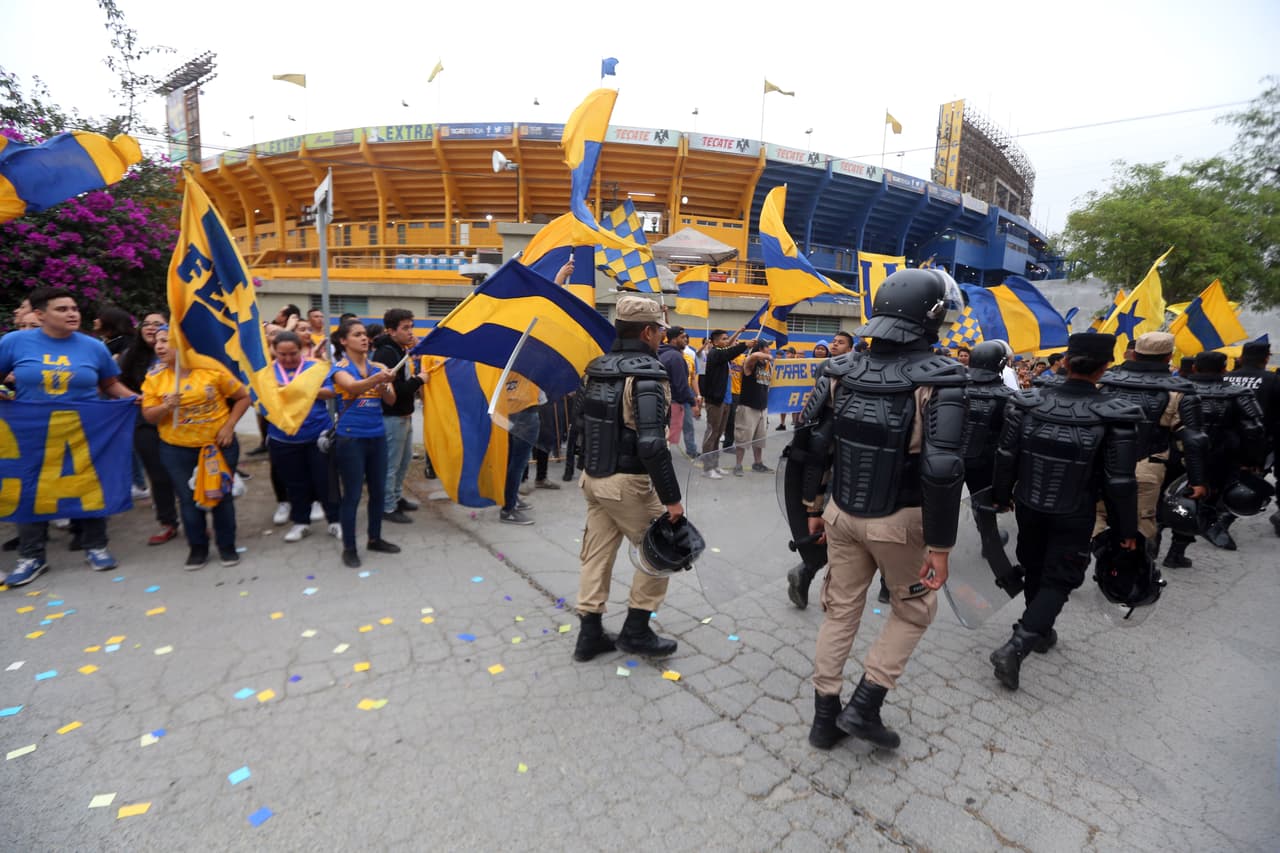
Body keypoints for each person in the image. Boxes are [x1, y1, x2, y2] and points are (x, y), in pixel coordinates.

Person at [799, 269, 967, 751]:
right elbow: (941, 470)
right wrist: (941, 545)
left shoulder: (839, 370)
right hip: (902, 522)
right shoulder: (943, 379)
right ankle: (864, 707)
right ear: (931, 317)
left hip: (841, 513)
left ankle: (823, 721)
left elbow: (812, 446)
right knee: (913, 610)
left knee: (839, 612)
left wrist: (813, 506)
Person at [988, 332, 1143, 690]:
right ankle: (1018, 644)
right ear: (1105, 367)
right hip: (1073, 510)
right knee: (1060, 577)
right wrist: (1126, 532)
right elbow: (1120, 482)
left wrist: (1000, 497)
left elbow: (1006, 456)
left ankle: (1037, 629)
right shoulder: (1113, 413)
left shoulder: (1028, 403)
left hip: (1029, 502)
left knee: (1036, 566)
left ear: (1067, 362)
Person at [570, 295, 684, 661]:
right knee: (661, 552)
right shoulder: (647, 373)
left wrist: (587, 468)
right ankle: (636, 630)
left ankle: (589, 634)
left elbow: (579, 426)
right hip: (628, 482)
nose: (660, 338)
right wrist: (672, 499)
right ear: (649, 331)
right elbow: (652, 444)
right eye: (659, 331)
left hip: (593, 478)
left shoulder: (595, 367)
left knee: (596, 555)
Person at [0, 288, 140, 586]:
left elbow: (110, 383)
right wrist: (4, 394)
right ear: (39, 315)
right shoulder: (14, 342)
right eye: (62, 309)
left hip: (83, 431)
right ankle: (32, 556)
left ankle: (96, 546)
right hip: (30, 434)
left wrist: (136, 400)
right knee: (30, 492)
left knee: (89, 486)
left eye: (74, 308)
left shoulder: (93, 347)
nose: (72, 313)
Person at [141, 326, 251, 570]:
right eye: (157, 342)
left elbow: (244, 397)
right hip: (177, 450)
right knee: (189, 501)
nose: (159, 346)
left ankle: (227, 548)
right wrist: (165, 408)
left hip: (219, 447)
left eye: (166, 341)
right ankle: (198, 549)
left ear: (184, 345)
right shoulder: (155, 378)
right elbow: (149, 416)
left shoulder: (212, 370)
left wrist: (229, 426)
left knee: (221, 497)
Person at [1096, 331, 1207, 562]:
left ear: (1135, 353)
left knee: (1098, 519)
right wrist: (1196, 480)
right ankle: (1132, 578)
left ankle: (1106, 567)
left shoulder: (1104, 382)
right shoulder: (1180, 390)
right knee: (1140, 528)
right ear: (1169, 357)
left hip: (1102, 466)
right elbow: (1192, 440)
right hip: (1146, 469)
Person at [1177, 350, 1267, 555]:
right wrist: (1252, 460)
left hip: (1180, 452)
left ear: (1194, 367)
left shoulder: (1177, 388)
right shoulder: (1238, 392)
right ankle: (1179, 549)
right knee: (1207, 498)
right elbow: (1254, 430)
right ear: (1224, 368)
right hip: (1221, 455)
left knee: (1178, 497)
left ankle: (1175, 548)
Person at [330, 320, 401, 567]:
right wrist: (377, 380)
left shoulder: (378, 366)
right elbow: (351, 386)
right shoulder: (340, 367)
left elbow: (391, 400)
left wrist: (384, 387)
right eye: (356, 335)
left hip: (377, 436)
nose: (364, 339)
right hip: (351, 438)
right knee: (352, 495)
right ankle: (349, 547)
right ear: (343, 340)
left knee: (378, 492)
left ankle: (375, 538)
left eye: (364, 335)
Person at [266, 331, 340, 543]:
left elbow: (332, 391)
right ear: (275, 352)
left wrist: (298, 389)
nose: (288, 359)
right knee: (295, 483)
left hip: (317, 434)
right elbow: (262, 398)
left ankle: (335, 521)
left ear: (301, 350)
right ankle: (301, 522)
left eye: (293, 353)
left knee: (326, 481)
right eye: (283, 354)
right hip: (283, 437)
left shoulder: (314, 368)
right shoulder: (267, 373)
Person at [117, 311, 181, 546]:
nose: (152, 328)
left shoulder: (184, 357)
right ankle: (168, 523)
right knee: (158, 475)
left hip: (180, 423)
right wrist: (139, 398)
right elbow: (116, 384)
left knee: (182, 474)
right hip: (146, 423)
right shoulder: (131, 355)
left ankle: (195, 521)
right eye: (148, 323)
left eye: (159, 325)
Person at [372, 308, 429, 524]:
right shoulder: (386, 353)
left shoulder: (399, 349)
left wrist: (414, 351)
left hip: (404, 414)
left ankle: (396, 497)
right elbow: (397, 389)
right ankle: (387, 506)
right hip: (392, 416)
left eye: (411, 327)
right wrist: (420, 380)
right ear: (391, 330)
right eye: (405, 328)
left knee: (403, 462)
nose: (410, 332)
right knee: (391, 464)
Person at [1225, 339, 1280, 537]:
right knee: (1256, 480)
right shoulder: (1273, 380)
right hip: (1264, 441)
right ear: (1266, 358)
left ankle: (1220, 516)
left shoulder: (1226, 378)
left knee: (1228, 479)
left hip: (1228, 440)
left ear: (1242, 357)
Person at [962, 340, 1014, 496]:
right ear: (1001, 364)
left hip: (950, 458)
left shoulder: (952, 388)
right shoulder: (1010, 397)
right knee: (984, 508)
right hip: (987, 464)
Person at [700, 327, 750, 478]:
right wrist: (745, 345)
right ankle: (707, 468)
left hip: (726, 400)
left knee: (718, 434)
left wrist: (739, 332)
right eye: (723, 339)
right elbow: (730, 351)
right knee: (711, 434)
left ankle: (715, 465)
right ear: (714, 342)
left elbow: (729, 346)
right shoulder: (715, 353)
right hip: (716, 401)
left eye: (727, 338)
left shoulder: (722, 352)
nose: (726, 341)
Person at [732, 338, 774, 476]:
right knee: (743, 438)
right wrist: (768, 356)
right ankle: (738, 465)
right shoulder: (750, 363)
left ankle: (758, 463)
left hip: (762, 407)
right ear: (761, 349)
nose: (770, 350)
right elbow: (754, 356)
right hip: (748, 407)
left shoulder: (768, 365)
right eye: (768, 347)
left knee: (760, 439)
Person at [658, 326, 698, 451]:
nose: (686, 339)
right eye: (682, 337)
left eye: (686, 337)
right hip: (675, 401)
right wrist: (693, 403)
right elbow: (681, 384)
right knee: (673, 433)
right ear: (674, 340)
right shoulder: (675, 357)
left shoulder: (663, 353)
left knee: (666, 431)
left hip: (664, 398)